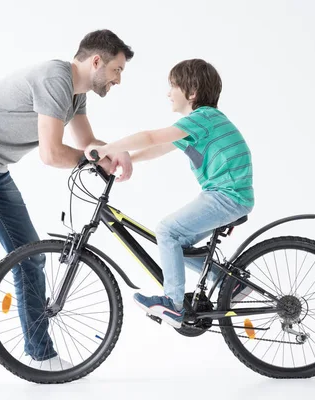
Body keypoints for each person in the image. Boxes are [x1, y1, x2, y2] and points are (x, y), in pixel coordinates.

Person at [0, 29, 134, 391]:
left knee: (30, 256)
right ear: (96, 61)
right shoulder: (55, 78)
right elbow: (52, 154)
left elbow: (87, 144)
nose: (119, 80)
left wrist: (118, 150)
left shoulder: (76, 94)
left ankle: (40, 352)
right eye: (117, 70)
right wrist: (95, 158)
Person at [85, 59, 255, 329]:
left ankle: (173, 303)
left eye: (173, 86)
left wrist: (109, 149)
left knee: (167, 232)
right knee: (177, 242)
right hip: (229, 195)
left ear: (192, 92)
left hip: (227, 195)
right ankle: (227, 283)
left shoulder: (203, 118)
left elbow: (152, 137)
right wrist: (125, 160)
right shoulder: (200, 124)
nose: (168, 93)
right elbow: (157, 149)